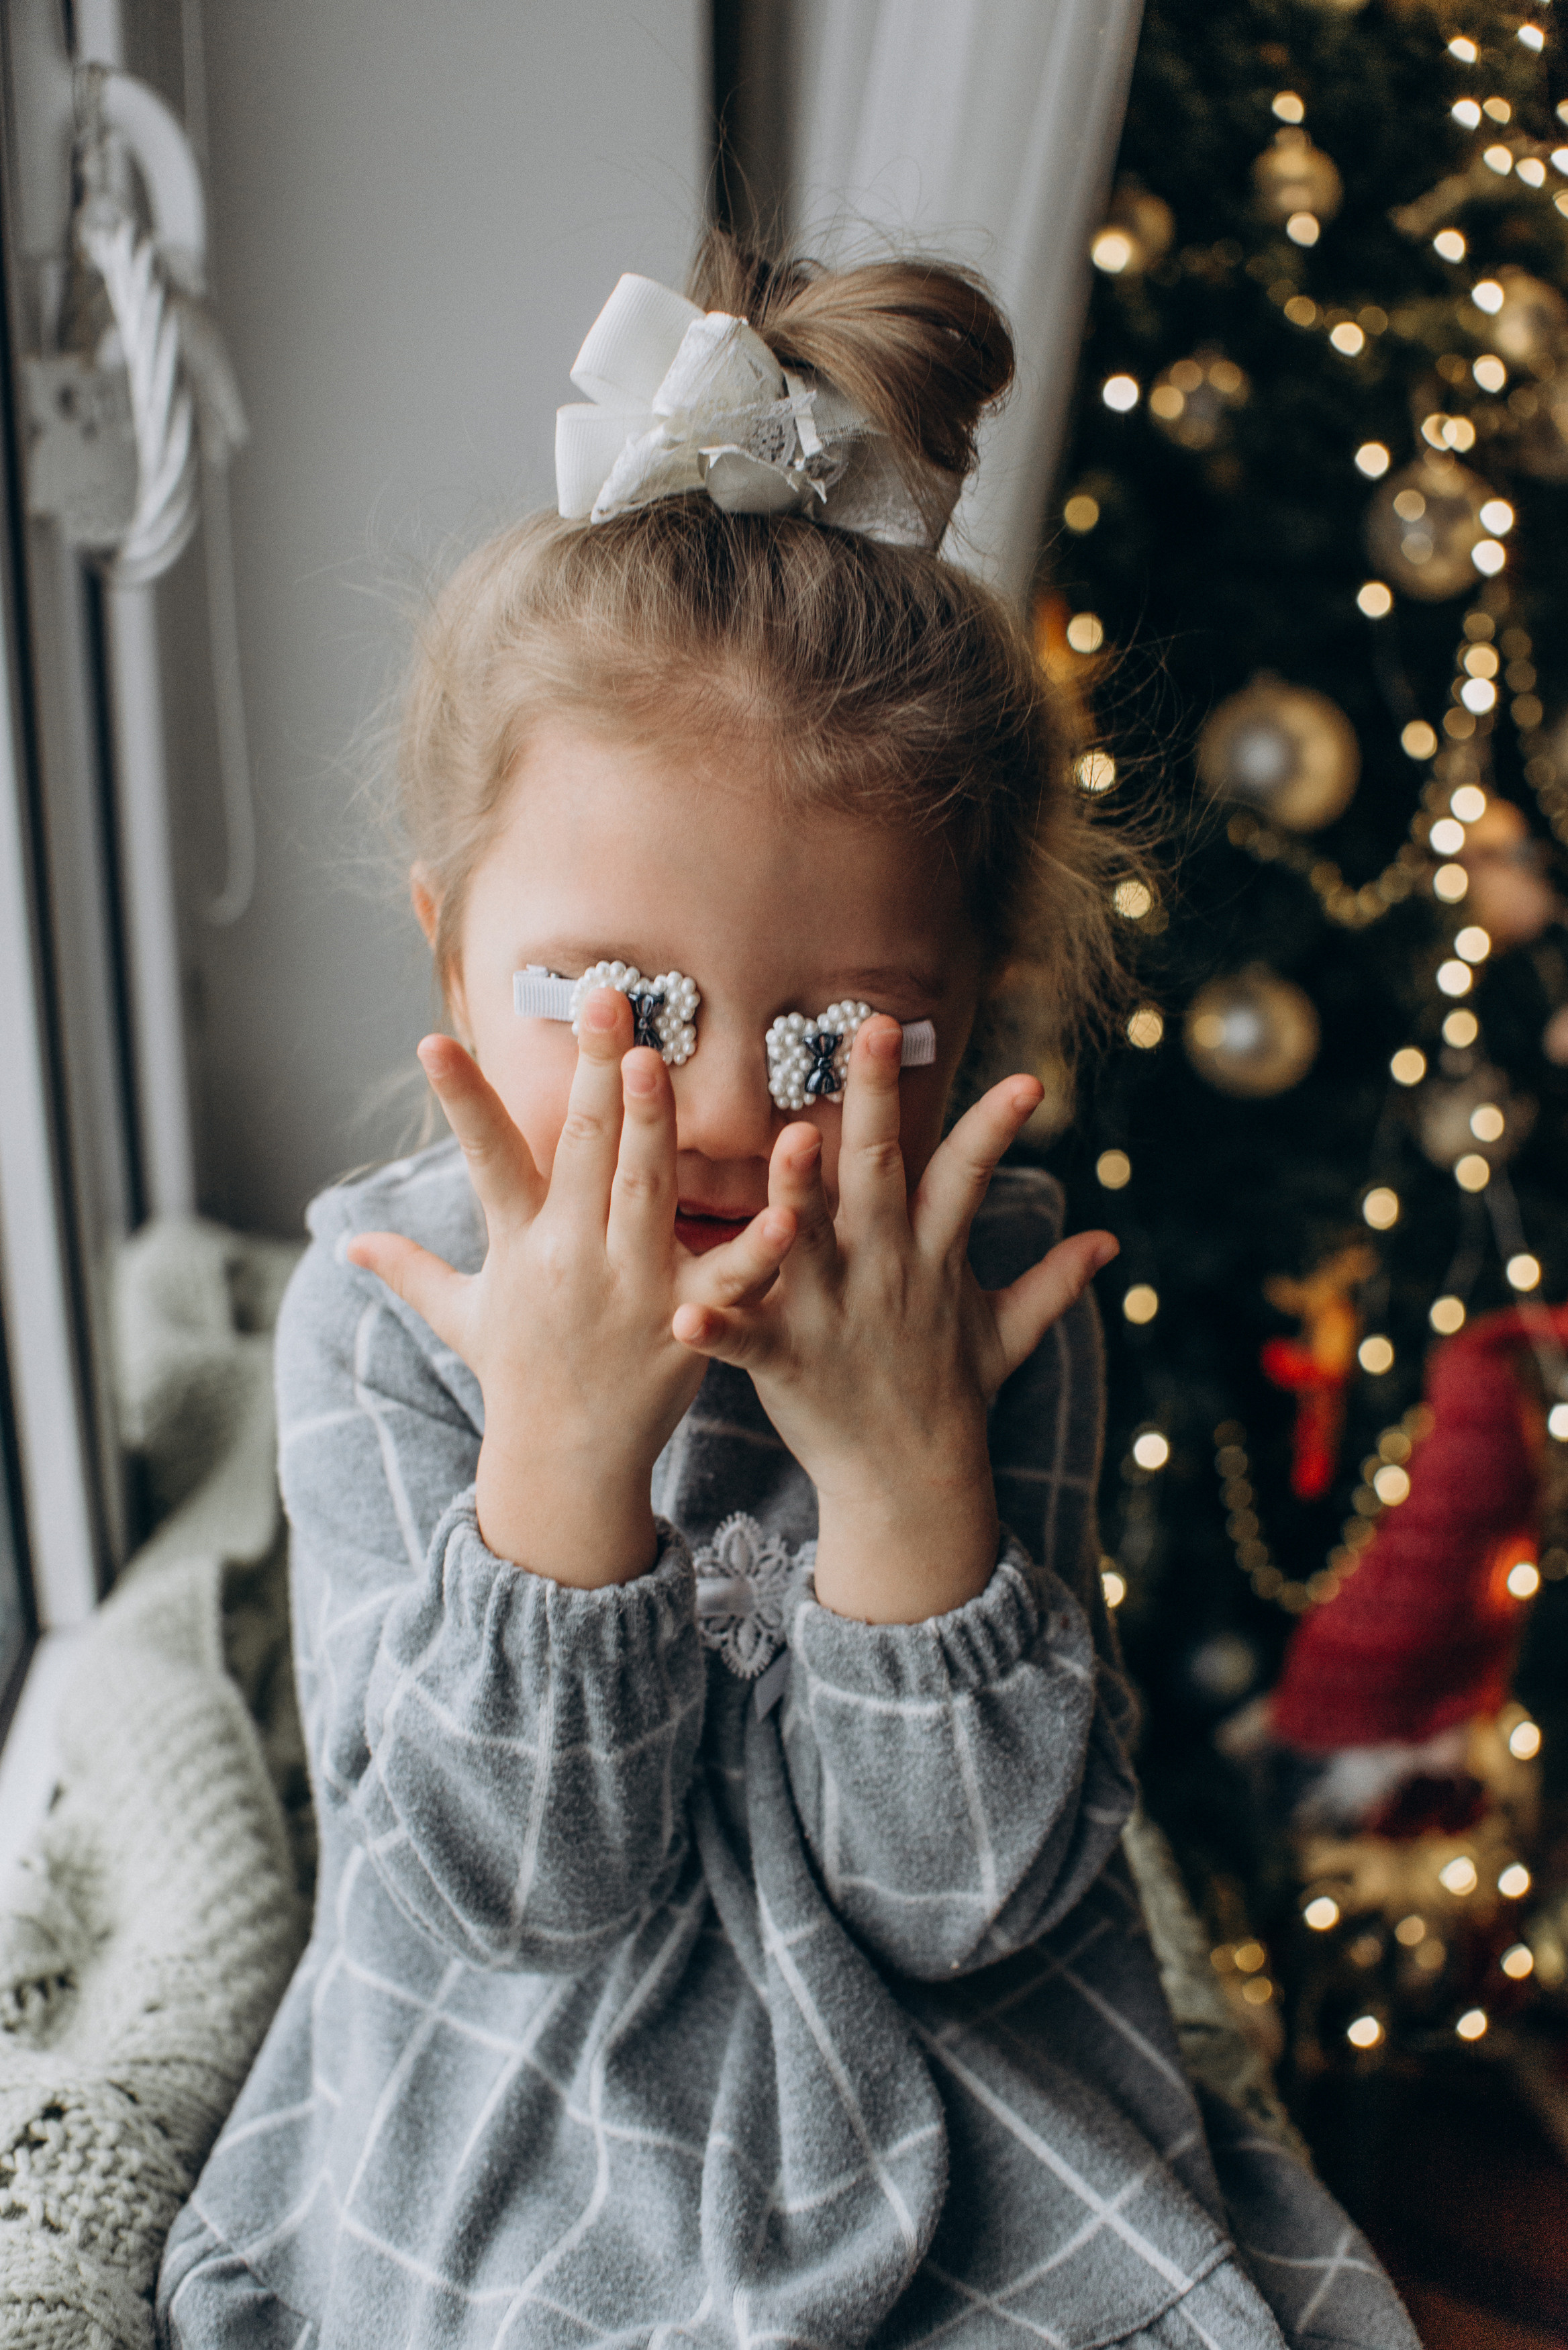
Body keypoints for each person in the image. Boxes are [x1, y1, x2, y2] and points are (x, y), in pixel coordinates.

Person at [157, 233, 1416, 2349]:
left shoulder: (984, 1285)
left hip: (958, 2076)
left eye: (844, 1033)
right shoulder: (385, 1307)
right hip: (514, 2080)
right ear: (453, 948)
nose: (728, 1102)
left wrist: (910, 1479)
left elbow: (970, 1911)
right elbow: (502, 1900)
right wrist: (560, 1462)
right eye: (621, 1001)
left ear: (973, 1008)